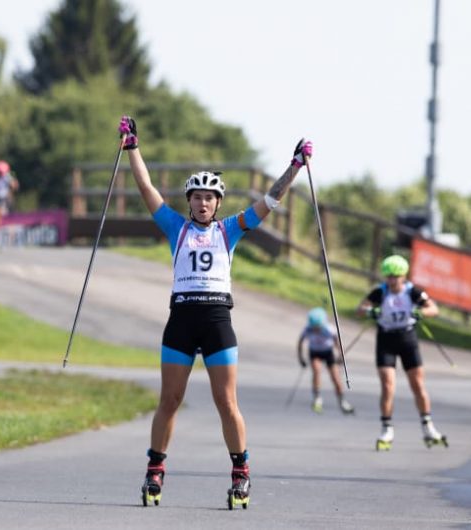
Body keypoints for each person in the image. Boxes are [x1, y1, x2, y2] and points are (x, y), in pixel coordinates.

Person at [118, 115, 310, 509]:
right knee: (169, 399)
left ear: (217, 203)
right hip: (182, 321)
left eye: (209, 197)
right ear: (188, 201)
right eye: (196, 197)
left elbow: (270, 202)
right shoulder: (176, 227)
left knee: (227, 402)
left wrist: (294, 167)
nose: (202, 203)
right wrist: (133, 146)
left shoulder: (230, 230)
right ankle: (155, 471)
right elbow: (145, 187)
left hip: (217, 322)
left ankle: (241, 475)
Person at [357, 254, 447, 451]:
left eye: (396, 277)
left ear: (403, 276)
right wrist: (371, 312)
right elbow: (361, 308)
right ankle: (386, 428)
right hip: (386, 339)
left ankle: (428, 427)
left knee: (417, 384)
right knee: (388, 385)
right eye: (388, 276)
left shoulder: (413, 292)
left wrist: (421, 312)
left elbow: (434, 309)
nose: (392, 280)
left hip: (407, 339)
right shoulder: (380, 293)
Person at [297, 307, 354, 414]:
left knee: (336, 378)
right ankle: (317, 398)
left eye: (318, 327)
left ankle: (342, 401)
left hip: (328, 353)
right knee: (317, 371)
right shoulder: (307, 329)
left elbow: (338, 344)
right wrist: (301, 359)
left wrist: (341, 356)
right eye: (314, 327)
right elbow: (300, 343)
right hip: (315, 353)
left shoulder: (330, 329)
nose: (316, 330)